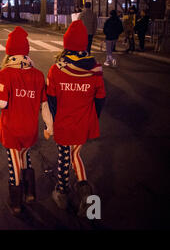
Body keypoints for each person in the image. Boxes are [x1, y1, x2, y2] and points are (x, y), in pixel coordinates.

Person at [0, 26, 53, 216]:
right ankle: (30, 193)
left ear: (9, 53)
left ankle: (16, 202)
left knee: (14, 163)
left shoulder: (5, 74)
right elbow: (45, 105)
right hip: (30, 129)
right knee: (25, 158)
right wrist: (50, 127)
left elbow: (0, 102)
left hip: (12, 128)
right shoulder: (38, 75)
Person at [46, 20, 106, 217]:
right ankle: (87, 198)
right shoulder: (95, 69)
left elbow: (51, 100)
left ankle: (62, 192)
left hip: (64, 121)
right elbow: (100, 98)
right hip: (83, 122)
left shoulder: (57, 69)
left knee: (64, 156)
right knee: (75, 155)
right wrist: (92, 117)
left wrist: (53, 122)